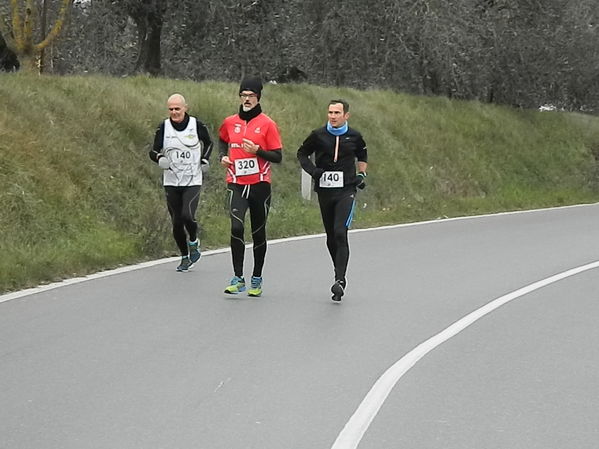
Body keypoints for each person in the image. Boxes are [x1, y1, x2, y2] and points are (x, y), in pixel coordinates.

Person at [297, 99, 368, 302]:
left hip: (346, 190)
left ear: (346, 115)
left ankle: (340, 280)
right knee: (330, 235)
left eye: (337, 113)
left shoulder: (354, 136)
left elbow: (362, 154)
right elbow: (302, 153)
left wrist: (362, 175)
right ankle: (337, 270)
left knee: (340, 231)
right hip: (325, 191)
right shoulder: (318, 135)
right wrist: (313, 171)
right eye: (330, 112)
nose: (333, 116)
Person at [218, 77, 283, 296]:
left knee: (258, 231)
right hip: (235, 183)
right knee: (236, 228)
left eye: (251, 96)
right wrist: (222, 157)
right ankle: (238, 278)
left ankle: (256, 278)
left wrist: (258, 151)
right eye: (243, 95)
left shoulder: (267, 124)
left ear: (258, 98)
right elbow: (221, 140)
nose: (246, 100)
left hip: (259, 185)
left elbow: (278, 156)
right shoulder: (229, 122)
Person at [149, 93, 213, 272]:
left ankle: (193, 241)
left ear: (185, 108)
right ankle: (185, 256)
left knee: (187, 215)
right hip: (171, 180)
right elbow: (153, 150)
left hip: (192, 178)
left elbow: (208, 143)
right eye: (171, 109)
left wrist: (205, 159)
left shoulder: (196, 125)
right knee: (176, 222)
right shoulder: (164, 127)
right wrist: (160, 157)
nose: (174, 112)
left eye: (177, 108)